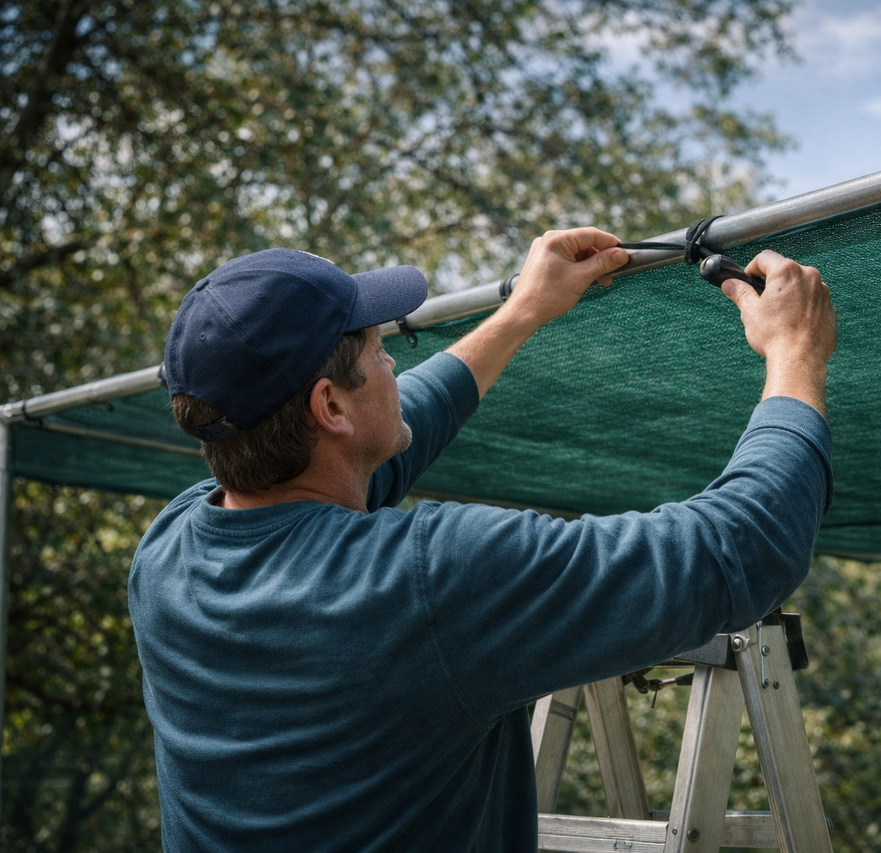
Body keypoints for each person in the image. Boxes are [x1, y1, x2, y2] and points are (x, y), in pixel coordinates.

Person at [129, 227, 836, 851]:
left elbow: (379, 449)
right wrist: (794, 354)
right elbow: (742, 546)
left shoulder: (168, 554)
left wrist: (522, 312)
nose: (394, 366)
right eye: (378, 351)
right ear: (331, 406)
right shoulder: (427, 582)